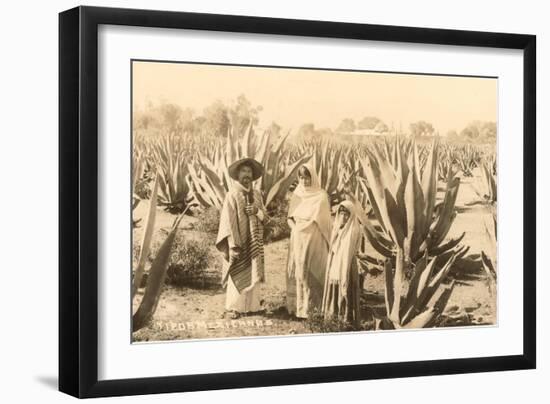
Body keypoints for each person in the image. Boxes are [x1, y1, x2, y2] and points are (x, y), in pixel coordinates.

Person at [216, 157, 267, 318]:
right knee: (238, 272)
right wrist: (233, 244)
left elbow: (265, 217)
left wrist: (256, 212)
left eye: (249, 171)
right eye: (243, 171)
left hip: (255, 242)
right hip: (238, 241)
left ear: (253, 175)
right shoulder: (232, 195)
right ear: (237, 175)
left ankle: (252, 307)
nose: (247, 174)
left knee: (254, 271)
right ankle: (235, 307)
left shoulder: (257, 194)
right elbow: (227, 222)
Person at [286, 163, 332, 318]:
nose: (305, 181)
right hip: (298, 239)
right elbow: (290, 218)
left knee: (314, 272)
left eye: (307, 177)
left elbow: (325, 223)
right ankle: (300, 309)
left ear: (313, 177)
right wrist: (294, 229)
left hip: (315, 239)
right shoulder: (297, 194)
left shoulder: (321, 196)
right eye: (302, 177)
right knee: (300, 273)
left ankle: (314, 310)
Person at [322, 200, 362, 326]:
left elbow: (351, 250)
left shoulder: (354, 229)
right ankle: (333, 317)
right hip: (336, 263)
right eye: (341, 214)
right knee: (335, 288)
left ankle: (346, 319)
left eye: (347, 215)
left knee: (347, 289)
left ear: (351, 215)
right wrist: (336, 233)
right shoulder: (337, 228)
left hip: (348, 265)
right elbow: (332, 247)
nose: (343, 217)